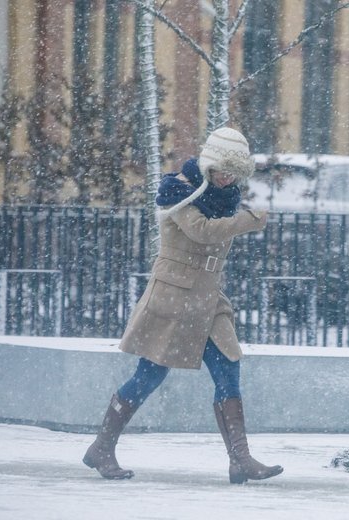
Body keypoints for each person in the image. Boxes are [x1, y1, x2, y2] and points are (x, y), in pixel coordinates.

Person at [83, 127, 282, 484]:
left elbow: (216, 229)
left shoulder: (224, 197)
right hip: (174, 298)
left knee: (229, 366)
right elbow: (202, 230)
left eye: (234, 173)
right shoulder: (177, 191)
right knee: (149, 375)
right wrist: (251, 220)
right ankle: (102, 447)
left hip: (209, 298)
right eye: (223, 170)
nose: (228, 178)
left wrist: (240, 217)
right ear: (209, 164)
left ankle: (240, 459)